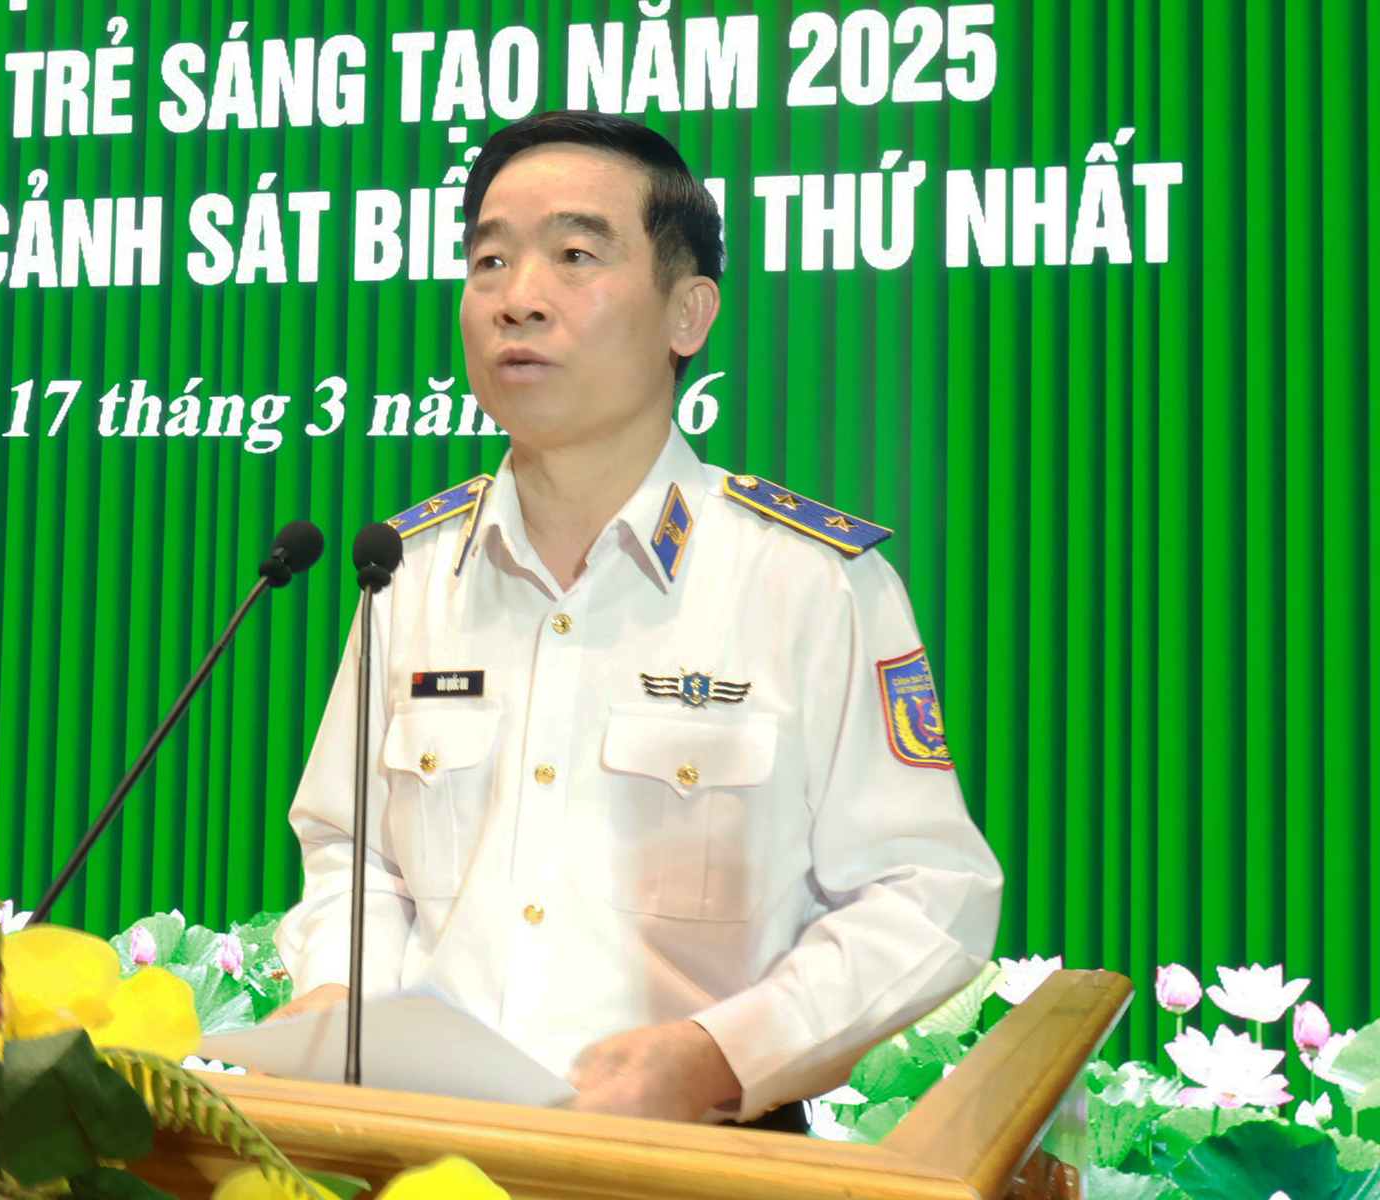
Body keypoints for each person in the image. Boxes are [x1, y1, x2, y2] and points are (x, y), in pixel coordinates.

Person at [270, 110, 1003, 1125]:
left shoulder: (808, 582)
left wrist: (719, 1056)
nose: (517, 298)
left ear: (686, 315)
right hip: (430, 1151)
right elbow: (356, 854)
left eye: (575, 256)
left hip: (697, 1160)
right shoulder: (407, 572)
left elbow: (930, 892)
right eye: (489, 261)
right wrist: (338, 994)